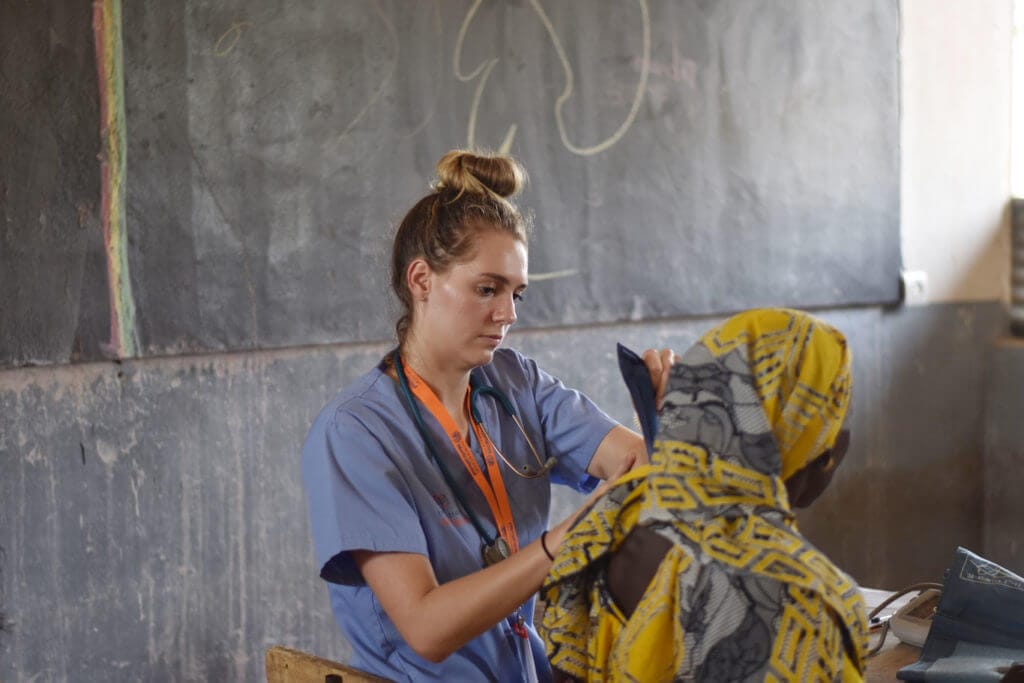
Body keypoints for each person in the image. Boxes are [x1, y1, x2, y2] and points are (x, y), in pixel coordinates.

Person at [301, 149, 674, 682]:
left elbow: (637, 467)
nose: (508, 313)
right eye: (486, 289)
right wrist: (567, 538)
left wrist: (662, 424)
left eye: (516, 293)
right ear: (421, 280)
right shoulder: (356, 432)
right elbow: (427, 629)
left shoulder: (515, 382)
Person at [542, 308, 869, 682]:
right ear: (798, 431)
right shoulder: (803, 599)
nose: (843, 438)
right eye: (839, 413)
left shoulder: (607, 523)